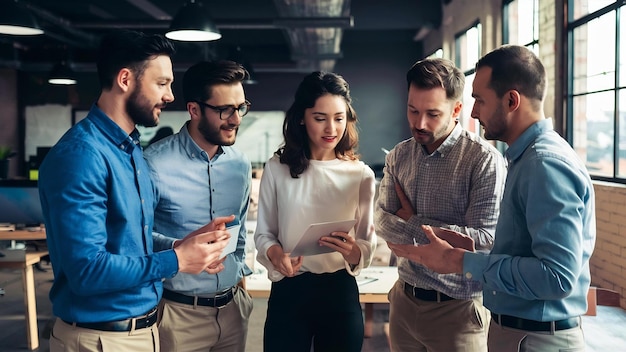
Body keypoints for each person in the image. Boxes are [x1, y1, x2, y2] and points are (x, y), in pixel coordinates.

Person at [388, 45, 596, 352]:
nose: (473, 112)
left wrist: (461, 261)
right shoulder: (525, 159)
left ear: (511, 100)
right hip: (521, 332)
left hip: (536, 339)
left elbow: (556, 277)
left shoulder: (544, 164)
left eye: (480, 100)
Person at [38, 30, 232, 352]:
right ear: (125, 79)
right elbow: (86, 271)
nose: (170, 96)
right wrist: (176, 260)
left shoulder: (131, 151)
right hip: (98, 339)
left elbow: (129, 238)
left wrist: (180, 246)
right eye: (162, 83)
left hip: (143, 332)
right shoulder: (81, 156)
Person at [374, 58, 507, 352]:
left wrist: (410, 222)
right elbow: (382, 222)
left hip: (457, 312)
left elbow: (483, 241)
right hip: (404, 304)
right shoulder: (398, 156)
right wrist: (436, 233)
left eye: (433, 114)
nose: (419, 123)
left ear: (456, 109)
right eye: (413, 110)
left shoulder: (483, 160)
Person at [254, 71, 377, 352]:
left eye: (339, 118)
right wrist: (275, 254)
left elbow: (367, 243)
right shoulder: (277, 168)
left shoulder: (361, 175)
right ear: (301, 117)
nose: (331, 128)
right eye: (320, 118)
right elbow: (264, 234)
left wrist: (353, 252)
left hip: (340, 292)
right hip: (290, 289)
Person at [144, 60, 254, 352]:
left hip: (233, 313)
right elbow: (136, 237)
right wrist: (181, 245)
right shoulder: (152, 163)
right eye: (224, 110)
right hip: (178, 317)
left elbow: (239, 233)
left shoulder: (240, 164)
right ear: (194, 110)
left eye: (240, 107)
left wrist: (240, 285)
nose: (235, 119)